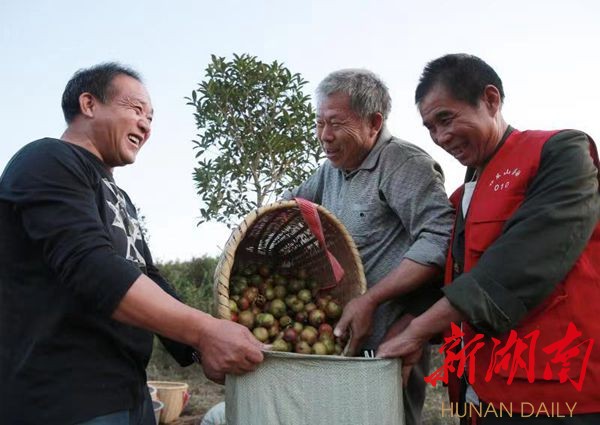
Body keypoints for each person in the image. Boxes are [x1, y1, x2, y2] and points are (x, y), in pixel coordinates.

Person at [0, 63, 266, 425]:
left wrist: (198, 347)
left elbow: (148, 276)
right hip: (64, 395)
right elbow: (90, 266)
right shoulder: (46, 159)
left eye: (150, 118)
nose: (145, 125)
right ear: (89, 104)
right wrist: (203, 331)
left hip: (129, 391)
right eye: (136, 109)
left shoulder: (120, 197)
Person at [377, 53, 600, 424]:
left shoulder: (560, 154)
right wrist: (402, 318)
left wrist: (418, 329)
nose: (440, 137)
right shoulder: (458, 199)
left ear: (491, 100)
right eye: (430, 128)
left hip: (558, 396)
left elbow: (521, 261)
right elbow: (448, 279)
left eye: (446, 119)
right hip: (479, 396)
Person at [285, 68, 454, 425]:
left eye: (336, 123)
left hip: (389, 347)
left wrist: (371, 299)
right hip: (339, 346)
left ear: (374, 123)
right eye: (319, 123)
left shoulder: (404, 165)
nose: (325, 136)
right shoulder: (331, 170)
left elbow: (441, 237)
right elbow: (290, 207)